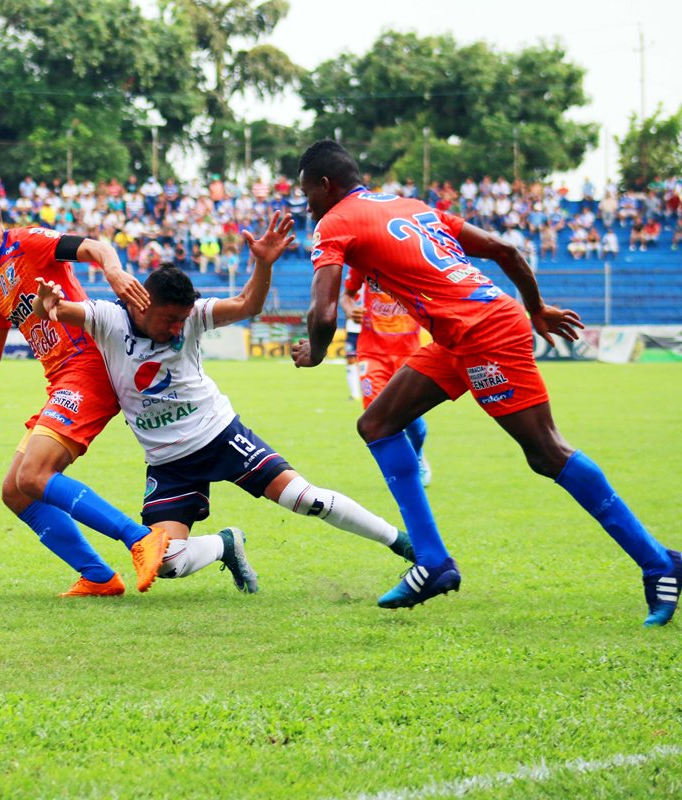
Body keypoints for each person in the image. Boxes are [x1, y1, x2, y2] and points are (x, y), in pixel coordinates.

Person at [291, 139, 680, 626]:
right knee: (377, 424)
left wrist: (316, 353)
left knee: (547, 453)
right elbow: (504, 249)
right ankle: (432, 562)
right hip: (462, 333)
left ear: (326, 186)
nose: (307, 207)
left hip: (484, 334)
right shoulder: (411, 207)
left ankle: (659, 562)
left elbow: (323, 313)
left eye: (307, 195)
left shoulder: (334, 222)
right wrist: (536, 308)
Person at [32, 223, 415, 595]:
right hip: (167, 461)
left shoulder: (194, 316)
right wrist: (45, 304)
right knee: (167, 562)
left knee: (304, 499)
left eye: (183, 319)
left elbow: (249, 303)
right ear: (143, 304)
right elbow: (58, 310)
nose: (178, 328)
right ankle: (225, 545)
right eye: (170, 320)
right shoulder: (107, 318)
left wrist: (263, 264)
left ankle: (401, 542)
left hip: (219, 435)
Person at [0, 178, 169, 598]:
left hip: (88, 369)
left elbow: (93, 247)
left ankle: (140, 537)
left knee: (35, 474)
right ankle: (98, 576)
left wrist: (114, 272)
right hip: (62, 380)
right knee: (15, 491)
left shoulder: (27, 243)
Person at [341, 270, 431, 487]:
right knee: (378, 416)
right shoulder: (362, 262)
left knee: (409, 416)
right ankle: (403, 471)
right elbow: (347, 295)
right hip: (372, 352)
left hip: (408, 352)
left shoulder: (413, 261)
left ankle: (417, 454)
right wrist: (350, 308)